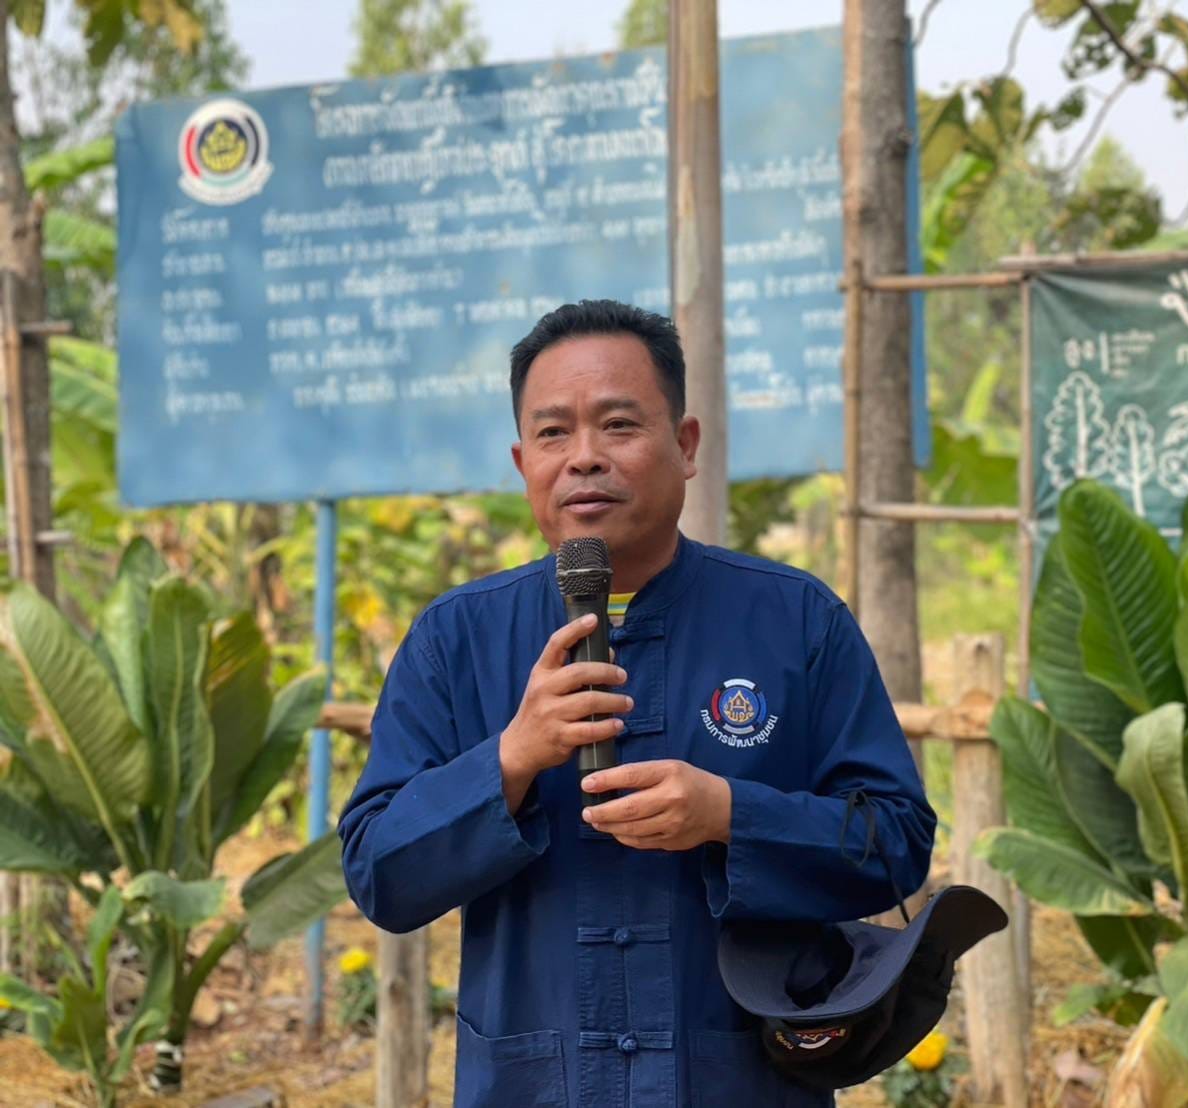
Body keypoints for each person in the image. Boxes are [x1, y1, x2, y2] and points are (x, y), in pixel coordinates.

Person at [338, 299, 936, 1108]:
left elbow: (897, 841)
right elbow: (379, 875)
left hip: (740, 1084)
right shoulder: (457, 639)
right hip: (536, 1083)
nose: (583, 458)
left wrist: (731, 813)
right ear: (523, 463)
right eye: (553, 434)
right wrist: (509, 760)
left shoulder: (796, 620)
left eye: (618, 425)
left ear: (685, 446)